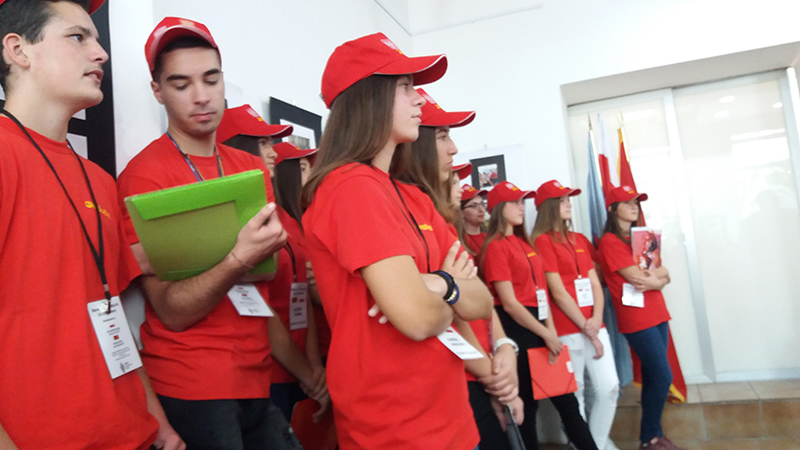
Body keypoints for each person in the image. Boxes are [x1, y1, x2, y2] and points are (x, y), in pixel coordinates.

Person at [116, 18, 308, 450]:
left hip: (255, 374)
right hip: (191, 383)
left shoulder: (249, 167)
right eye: (181, 84)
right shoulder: (144, 177)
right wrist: (237, 257)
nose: (201, 96)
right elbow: (174, 311)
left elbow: (267, 270)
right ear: (157, 91)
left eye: (211, 78)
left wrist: (201, 261)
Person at [0, 1, 183, 449]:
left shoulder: (99, 180)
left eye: (97, 39)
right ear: (18, 51)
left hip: (133, 432)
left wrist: (158, 421)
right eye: (77, 37)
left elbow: (108, 310)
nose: (101, 53)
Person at [301, 32, 492, 450]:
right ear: (367, 99)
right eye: (405, 86)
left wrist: (438, 283)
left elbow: (482, 301)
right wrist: (449, 290)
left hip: (448, 415)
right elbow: (418, 319)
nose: (419, 98)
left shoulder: (412, 196)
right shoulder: (351, 188)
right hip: (396, 426)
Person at [392, 90, 523, 449]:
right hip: (457, 376)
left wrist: (505, 346)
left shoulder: (440, 222)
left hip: (476, 368)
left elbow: (479, 301)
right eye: (442, 136)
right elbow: (448, 315)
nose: (453, 149)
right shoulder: (405, 214)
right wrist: (493, 375)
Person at [218, 108, 328, 422]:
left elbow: (301, 293)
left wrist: (314, 367)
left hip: (301, 369)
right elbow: (257, 307)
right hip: (269, 371)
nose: (272, 153)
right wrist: (307, 372)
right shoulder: (237, 221)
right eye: (263, 144)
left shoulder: (284, 218)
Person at [480, 181, 598, 450]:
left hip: (541, 324)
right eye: (514, 202)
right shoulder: (496, 247)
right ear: (499, 208)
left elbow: (542, 292)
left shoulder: (526, 243)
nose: (521, 207)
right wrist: (546, 332)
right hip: (517, 329)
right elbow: (509, 303)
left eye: (522, 202)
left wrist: (551, 331)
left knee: (567, 403)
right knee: (527, 408)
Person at [532, 179, 619, 450]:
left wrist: (596, 319)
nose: (568, 204)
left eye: (568, 199)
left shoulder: (579, 239)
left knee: (609, 387)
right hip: (566, 328)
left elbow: (595, 282)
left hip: (593, 323)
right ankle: (582, 445)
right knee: (576, 392)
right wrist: (586, 325)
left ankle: (597, 444)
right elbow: (557, 292)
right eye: (562, 200)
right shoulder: (542, 241)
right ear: (549, 206)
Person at [597, 186, 684, 450]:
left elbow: (664, 273)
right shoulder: (609, 242)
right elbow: (638, 278)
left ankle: (651, 438)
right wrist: (659, 278)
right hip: (636, 318)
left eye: (637, 202)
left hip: (657, 312)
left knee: (653, 376)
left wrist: (657, 280)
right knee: (663, 376)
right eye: (627, 202)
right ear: (612, 209)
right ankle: (651, 437)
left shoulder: (643, 237)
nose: (635, 206)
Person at [459, 184, 488, 256]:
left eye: (482, 204)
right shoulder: (459, 241)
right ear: (461, 212)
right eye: (474, 206)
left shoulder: (490, 238)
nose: (481, 210)